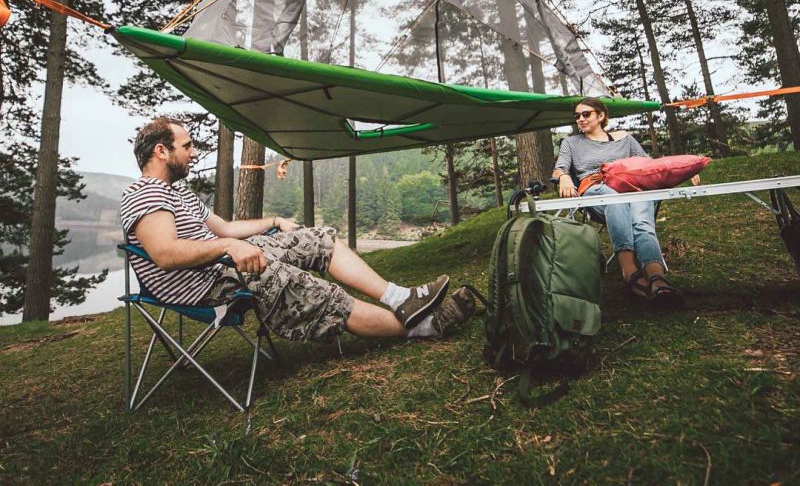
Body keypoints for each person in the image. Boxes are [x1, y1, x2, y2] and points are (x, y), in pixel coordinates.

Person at [120, 117, 475, 345]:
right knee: (304, 285)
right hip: (204, 285)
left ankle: (400, 298)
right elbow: (165, 255)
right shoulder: (145, 194)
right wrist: (228, 246)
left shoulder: (177, 192)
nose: (193, 153)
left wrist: (273, 222)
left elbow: (225, 228)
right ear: (162, 151)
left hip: (221, 265)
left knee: (317, 239)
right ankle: (424, 326)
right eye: (186, 147)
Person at [552, 97, 690, 307]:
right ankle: (630, 271)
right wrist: (564, 177)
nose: (580, 119)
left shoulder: (624, 139)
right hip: (597, 188)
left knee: (642, 217)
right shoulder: (571, 143)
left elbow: (648, 165)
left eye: (586, 114)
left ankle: (656, 276)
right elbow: (560, 167)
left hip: (632, 186)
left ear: (601, 116)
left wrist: (684, 170)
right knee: (615, 201)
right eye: (577, 116)